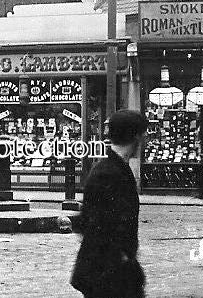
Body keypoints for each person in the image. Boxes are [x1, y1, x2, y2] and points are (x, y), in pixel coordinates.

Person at [71, 110, 148, 298]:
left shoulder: (114, 167)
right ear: (135, 136)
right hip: (108, 272)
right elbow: (96, 223)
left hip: (111, 268)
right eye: (143, 135)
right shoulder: (109, 172)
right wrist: (121, 256)